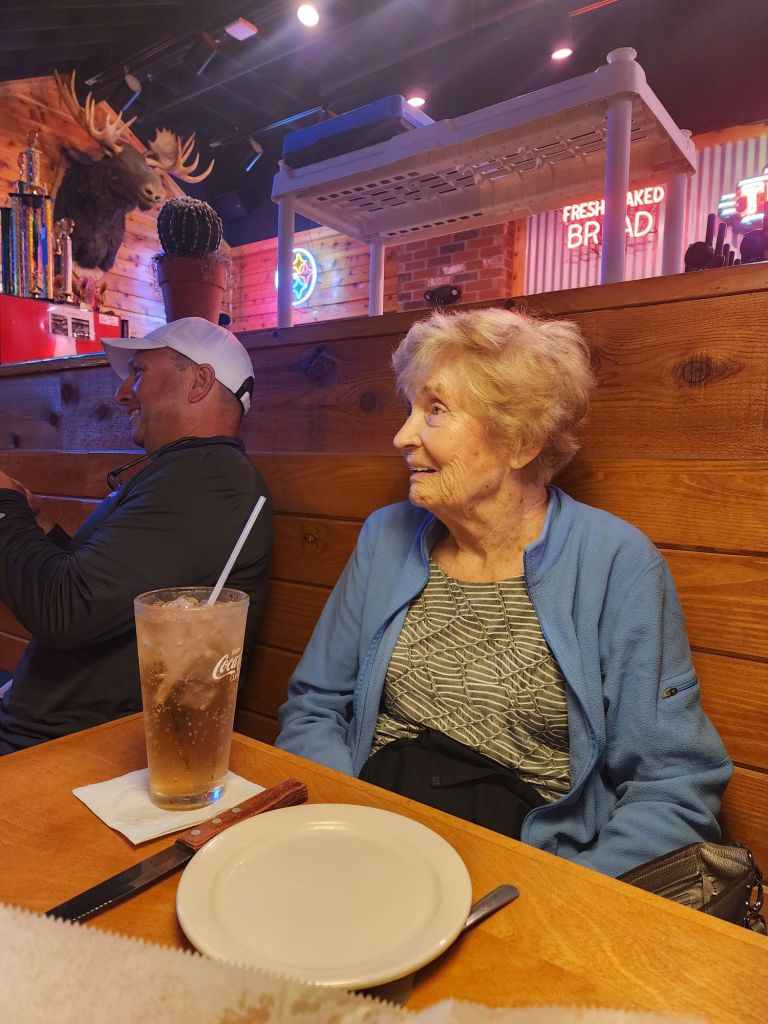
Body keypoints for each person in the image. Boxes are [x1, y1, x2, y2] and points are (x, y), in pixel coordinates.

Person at [277, 307, 731, 878]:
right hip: (369, 835)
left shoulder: (616, 562)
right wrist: (344, 818)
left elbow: (673, 784)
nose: (402, 436)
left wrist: (561, 893)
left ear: (520, 440)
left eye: (435, 410)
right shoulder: (384, 538)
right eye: (409, 408)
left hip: (524, 864)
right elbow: (315, 705)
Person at [0, 317, 273, 754]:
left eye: (139, 372)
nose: (123, 392)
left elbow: (66, 609)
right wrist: (35, 524)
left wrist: (5, 508)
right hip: (41, 728)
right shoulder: (189, 474)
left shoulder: (208, 481)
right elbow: (98, 591)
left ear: (200, 382)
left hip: (73, 749)